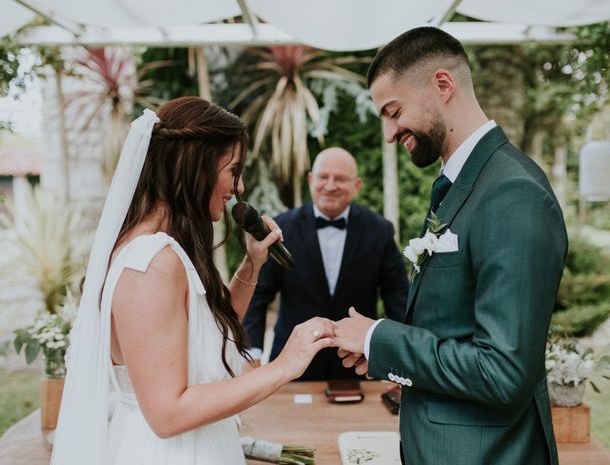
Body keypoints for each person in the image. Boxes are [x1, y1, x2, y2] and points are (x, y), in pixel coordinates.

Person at [51, 97, 335, 465]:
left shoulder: (158, 249)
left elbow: (201, 335)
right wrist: (285, 365)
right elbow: (168, 414)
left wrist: (252, 264)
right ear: (196, 164)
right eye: (232, 170)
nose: (239, 186)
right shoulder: (151, 263)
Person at [333, 27, 568, 465]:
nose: (388, 133)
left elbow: (502, 371)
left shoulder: (512, 192)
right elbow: (455, 328)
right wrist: (381, 352)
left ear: (443, 85)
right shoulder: (460, 184)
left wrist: (379, 337)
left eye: (394, 110)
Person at [242, 147, 408, 380]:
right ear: (311, 180)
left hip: (358, 366)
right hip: (290, 365)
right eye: (323, 177)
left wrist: (401, 362)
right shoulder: (281, 228)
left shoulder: (380, 230)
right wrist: (251, 354)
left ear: (356, 185)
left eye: (340, 179)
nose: (330, 186)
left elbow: (398, 297)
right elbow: (258, 295)